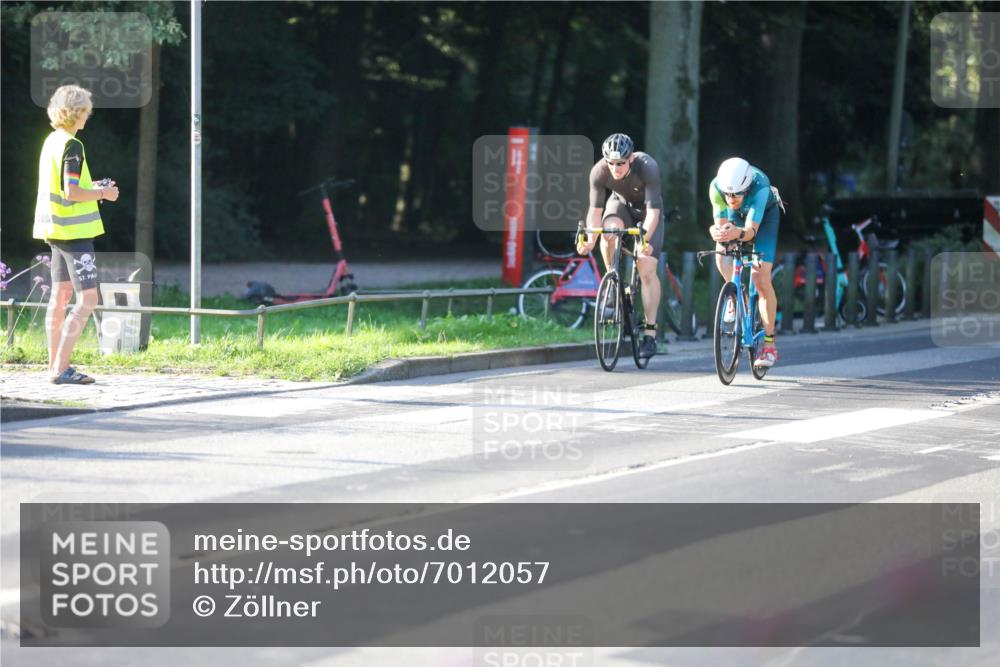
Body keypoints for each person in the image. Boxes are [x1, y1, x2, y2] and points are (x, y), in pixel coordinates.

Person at [33, 84, 119, 384]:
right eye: (86, 111)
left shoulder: (51, 142)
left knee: (60, 297)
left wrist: (92, 187)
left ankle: (53, 366)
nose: (88, 116)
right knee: (88, 299)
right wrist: (104, 193)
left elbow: (64, 187)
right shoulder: (73, 145)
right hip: (75, 233)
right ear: (76, 112)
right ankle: (61, 367)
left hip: (54, 229)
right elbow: (71, 192)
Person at [577, 133, 664, 359]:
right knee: (609, 231)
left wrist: (644, 241)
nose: (615, 168)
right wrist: (590, 240)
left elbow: (653, 214)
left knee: (646, 267)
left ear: (631, 158)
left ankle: (650, 334)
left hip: (647, 211)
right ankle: (613, 280)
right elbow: (595, 212)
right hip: (620, 205)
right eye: (611, 163)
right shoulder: (599, 171)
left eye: (621, 163)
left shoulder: (647, 167)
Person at [707, 157, 783, 368]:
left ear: (746, 188)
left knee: (761, 278)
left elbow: (750, 232)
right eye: (727, 194)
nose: (731, 198)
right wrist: (719, 232)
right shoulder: (716, 188)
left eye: (736, 194)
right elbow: (722, 226)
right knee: (722, 252)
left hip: (764, 219)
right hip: (738, 217)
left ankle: (769, 345)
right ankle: (734, 296)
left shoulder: (760, 188)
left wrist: (738, 233)